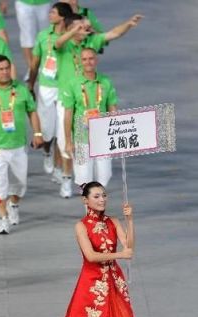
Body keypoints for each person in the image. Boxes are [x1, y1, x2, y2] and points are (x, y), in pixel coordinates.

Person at [47, 181, 149, 317]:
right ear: (85, 200)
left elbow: (129, 245)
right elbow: (91, 256)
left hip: (114, 283)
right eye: (96, 196)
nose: (102, 199)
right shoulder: (80, 226)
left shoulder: (113, 221)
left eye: (103, 195)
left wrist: (130, 220)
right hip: (91, 287)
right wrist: (119, 256)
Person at [54, 13, 143, 195]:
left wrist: (128, 23)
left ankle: (94, 202)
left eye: (83, 26)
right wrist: (74, 32)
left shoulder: (92, 44)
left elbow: (113, 34)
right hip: (69, 101)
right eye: (78, 27)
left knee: (103, 173)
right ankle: (66, 176)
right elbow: (57, 44)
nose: (83, 29)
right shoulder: (65, 43)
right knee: (67, 147)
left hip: (98, 123)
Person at [0, 55, 43, 234]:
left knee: (19, 183)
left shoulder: (21, 90)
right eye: (0, 69)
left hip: (18, 146)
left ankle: (13, 204)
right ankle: (3, 219)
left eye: (7, 68)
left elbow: (32, 112)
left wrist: (37, 133)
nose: (5, 72)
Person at [28, 2, 72, 191]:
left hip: (63, 87)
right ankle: (47, 152)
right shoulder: (43, 36)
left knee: (62, 131)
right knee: (47, 131)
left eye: (53, 12)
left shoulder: (70, 36)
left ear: (62, 17)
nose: (50, 14)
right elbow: (36, 61)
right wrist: (31, 82)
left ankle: (60, 168)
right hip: (46, 86)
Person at [63, 48, 117, 187]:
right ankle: (89, 208)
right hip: (82, 136)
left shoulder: (106, 82)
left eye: (91, 58)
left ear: (96, 60)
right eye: (85, 59)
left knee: (104, 176)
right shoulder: (73, 83)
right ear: (80, 62)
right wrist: (68, 141)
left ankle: (98, 207)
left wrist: (117, 133)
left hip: (103, 136)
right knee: (84, 179)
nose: (88, 62)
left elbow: (112, 108)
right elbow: (68, 114)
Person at [15, 0, 50, 80]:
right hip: (24, 3)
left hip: (43, 3)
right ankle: (32, 69)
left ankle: (46, 68)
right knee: (27, 37)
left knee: (46, 36)